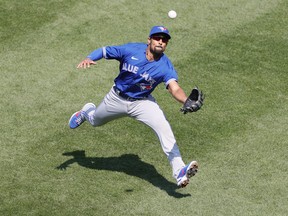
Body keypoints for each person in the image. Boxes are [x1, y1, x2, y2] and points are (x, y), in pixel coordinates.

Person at [69, 26, 198, 188]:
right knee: (95, 121)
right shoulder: (131, 50)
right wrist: (89, 57)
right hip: (116, 98)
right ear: (149, 40)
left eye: (164, 40)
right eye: (157, 38)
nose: (160, 41)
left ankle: (179, 170)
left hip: (142, 103)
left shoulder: (165, 66)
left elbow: (174, 88)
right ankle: (87, 111)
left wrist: (186, 100)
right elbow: (104, 51)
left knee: (164, 128)